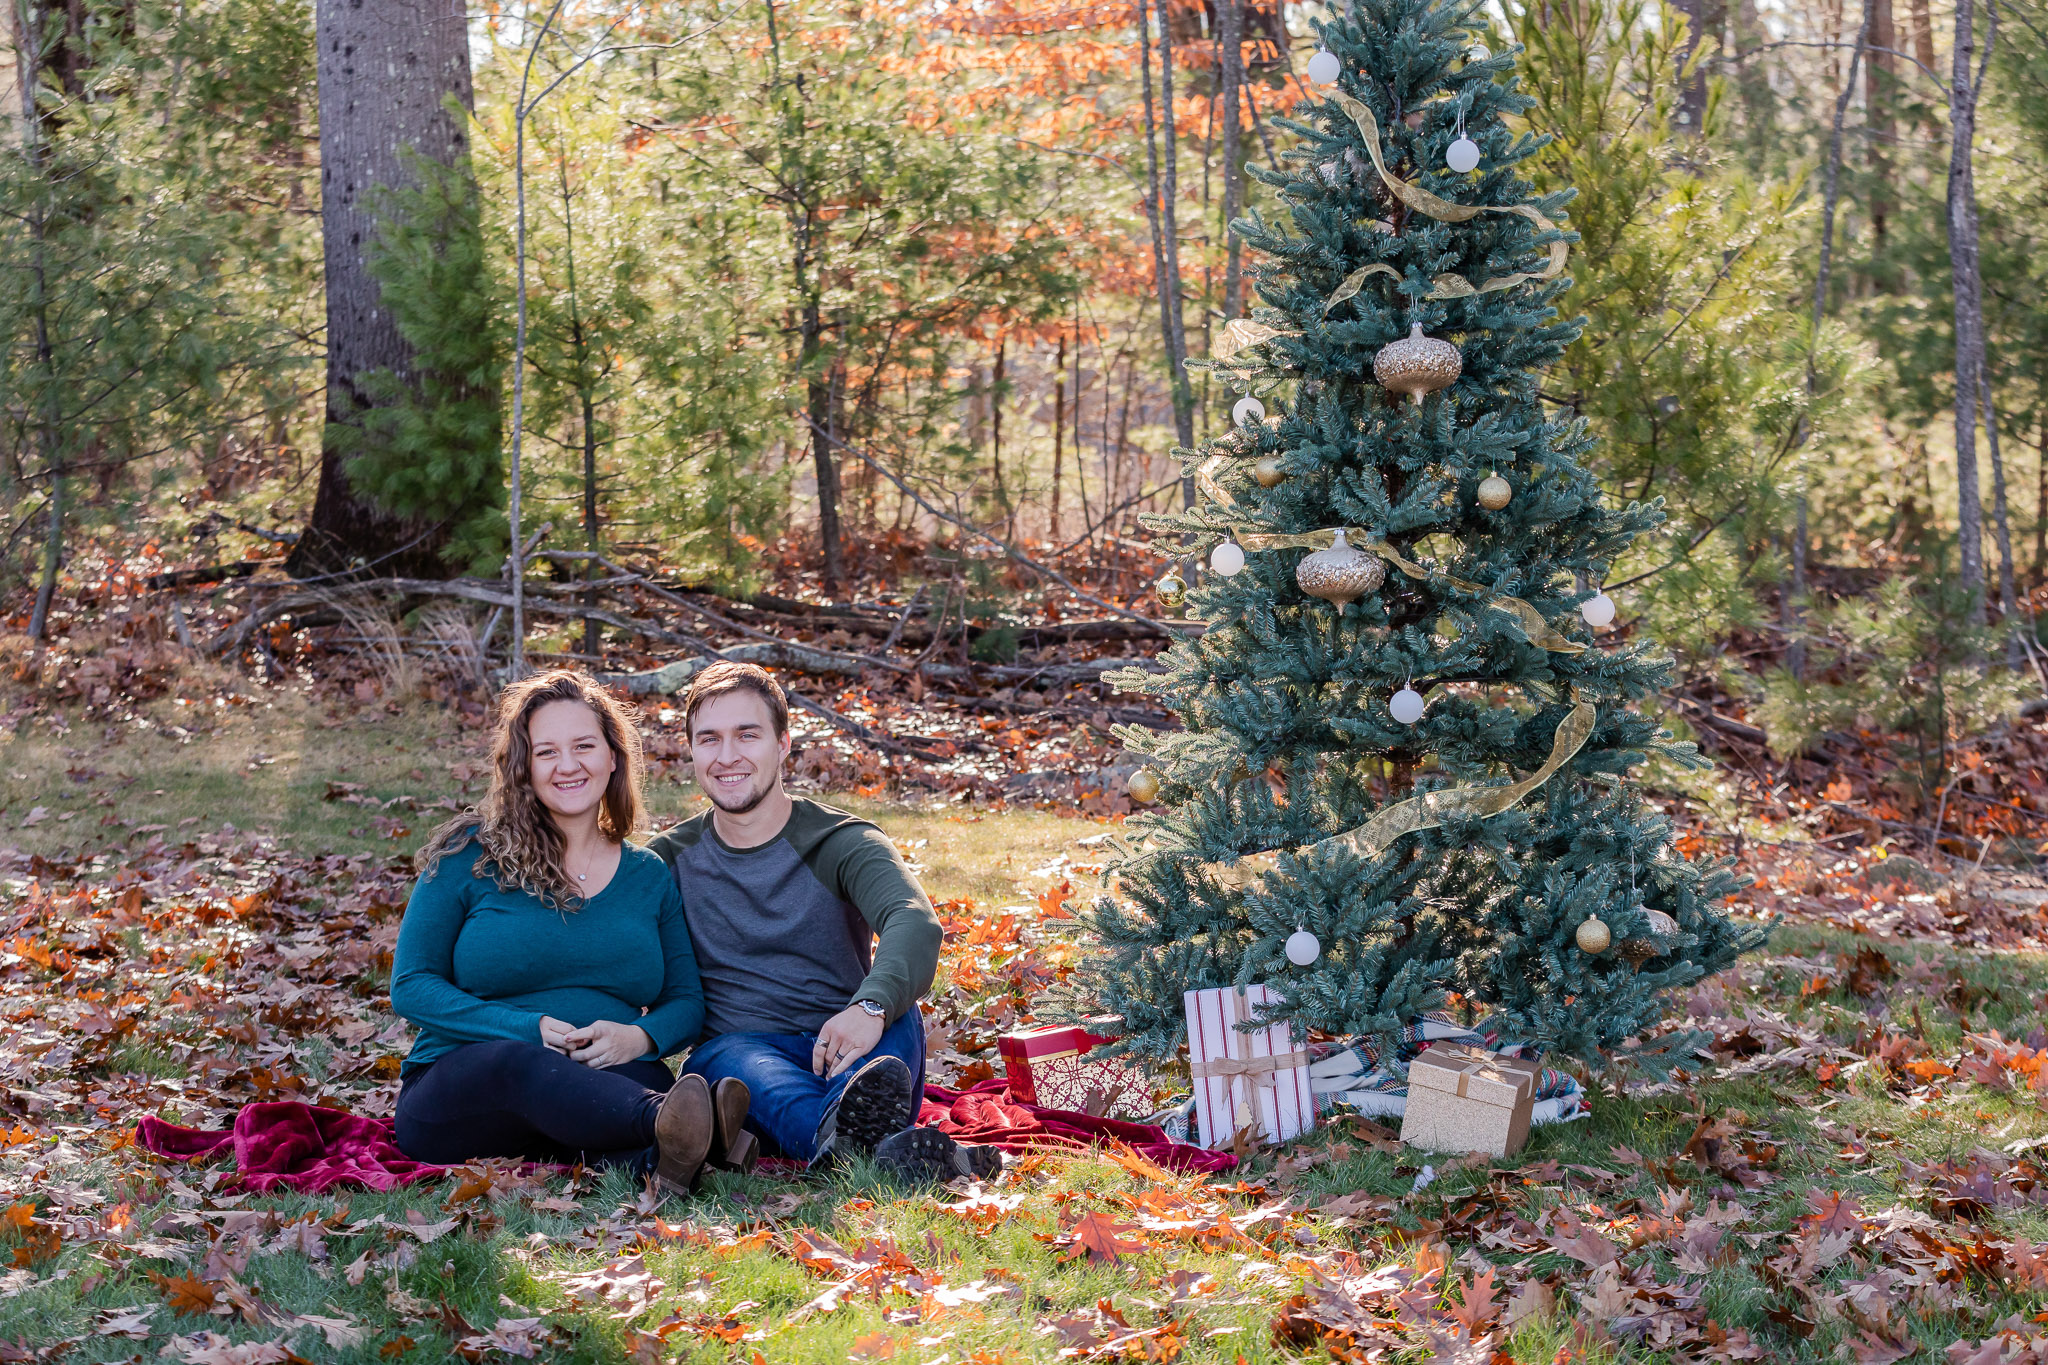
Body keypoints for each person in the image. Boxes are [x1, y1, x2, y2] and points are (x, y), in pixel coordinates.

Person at [390, 670, 752, 1193]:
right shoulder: (468, 855)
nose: (567, 766)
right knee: (522, 1064)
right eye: (546, 752)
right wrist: (526, 1027)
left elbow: (686, 1000)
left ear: (612, 757)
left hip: (602, 1079)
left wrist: (639, 1037)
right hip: (466, 1080)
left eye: (584, 745)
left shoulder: (647, 875)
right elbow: (412, 985)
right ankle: (670, 1123)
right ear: (523, 767)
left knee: (624, 1086)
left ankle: (670, 1156)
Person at [648, 662, 999, 1183]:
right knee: (729, 1061)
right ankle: (883, 1155)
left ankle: (856, 1145)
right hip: (740, 1049)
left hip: (848, 1043)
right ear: (693, 751)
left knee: (899, 1017)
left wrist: (870, 1006)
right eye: (709, 739)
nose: (727, 757)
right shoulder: (668, 860)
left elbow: (913, 921)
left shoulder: (842, 842)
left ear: (784, 743)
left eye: (748, 735)